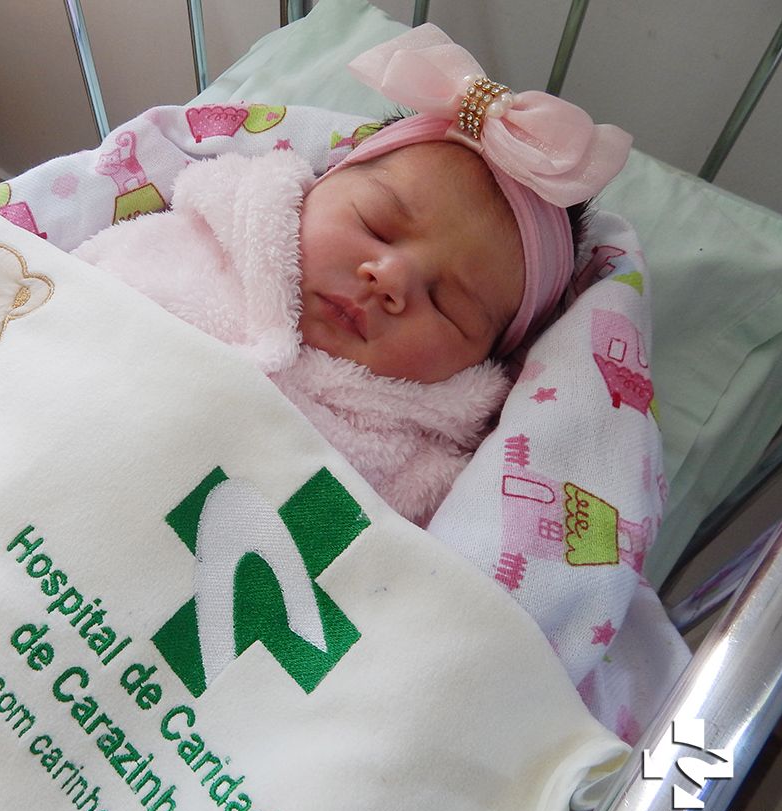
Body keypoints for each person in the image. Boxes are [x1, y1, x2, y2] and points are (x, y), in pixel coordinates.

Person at [75, 24, 631, 525]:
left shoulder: (420, 471)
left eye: (448, 304)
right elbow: (51, 307)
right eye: (377, 225)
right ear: (319, 185)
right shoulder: (188, 240)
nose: (389, 278)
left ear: (485, 361)